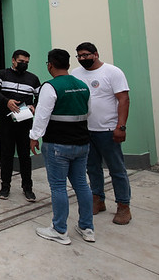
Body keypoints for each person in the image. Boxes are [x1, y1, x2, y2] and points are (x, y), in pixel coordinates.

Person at [30, 48, 94, 245]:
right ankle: (86, 227)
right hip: (82, 143)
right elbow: (88, 111)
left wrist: (34, 137)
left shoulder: (49, 87)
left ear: (50, 65)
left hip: (58, 145)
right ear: (68, 64)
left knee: (58, 187)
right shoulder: (82, 85)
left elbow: (42, 116)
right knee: (82, 185)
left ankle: (59, 230)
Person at [71, 42, 132, 225]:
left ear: (95, 54)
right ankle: (97, 199)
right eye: (79, 56)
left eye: (86, 55)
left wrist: (121, 126)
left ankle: (123, 206)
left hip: (108, 130)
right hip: (85, 130)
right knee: (91, 167)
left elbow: (123, 99)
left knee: (117, 169)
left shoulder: (112, 72)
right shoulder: (76, 74)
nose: (83, 59)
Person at [0, 49, 41, 201]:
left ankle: (28, 188)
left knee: (25, 156)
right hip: (6, 122)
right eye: (21, 62)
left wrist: (34, 106)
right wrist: (6, 101)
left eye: (26, 62)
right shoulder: (2, 74)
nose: (24, 64)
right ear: (13, 60)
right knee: (6, 155)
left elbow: (40, 96)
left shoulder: (33, 78)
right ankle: (5, 186)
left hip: (25, 123)